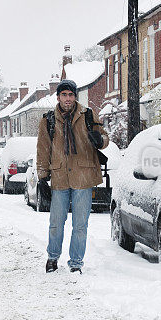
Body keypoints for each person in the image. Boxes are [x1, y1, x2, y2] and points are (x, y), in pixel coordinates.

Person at [36, 79, 110, 273]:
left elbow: (105, 138)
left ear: (75, 96)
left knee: (80, 224)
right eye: (64, 95)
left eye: (70, 95)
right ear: (58, 97)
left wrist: (99, 140)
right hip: (60, 177)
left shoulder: (87, 115)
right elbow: (43, 150)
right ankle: (52, 257)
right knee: (56, 223)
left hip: (83, 176)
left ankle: (76, 262)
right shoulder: (48, 120)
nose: (67, 99)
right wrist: (42, 176)